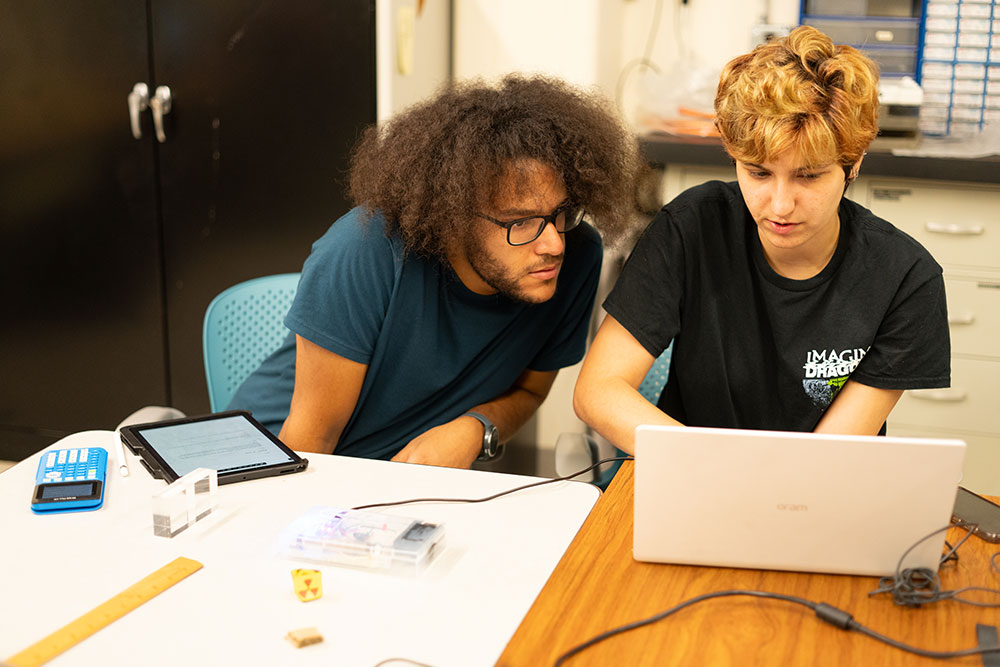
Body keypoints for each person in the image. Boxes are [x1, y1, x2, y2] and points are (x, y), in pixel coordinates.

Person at [228, 74, 640, 468]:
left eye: (561, 213)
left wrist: (474, 430)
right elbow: (311, 445)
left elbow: (530, 391)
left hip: (410, 485)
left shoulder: (576, 255)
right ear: (455, 220)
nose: (553, 244)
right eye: (521, 222)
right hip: (273, 464)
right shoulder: (365, 250)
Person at [574, 26, 950, 453]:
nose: (780, 204)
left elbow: (827, 457)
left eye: (808, 175)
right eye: (758, 173)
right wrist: (708, 464)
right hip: (692, 475)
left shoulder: (904, 279)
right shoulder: (691, 228)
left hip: (813, 486)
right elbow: (598, 390)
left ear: (853, 163)